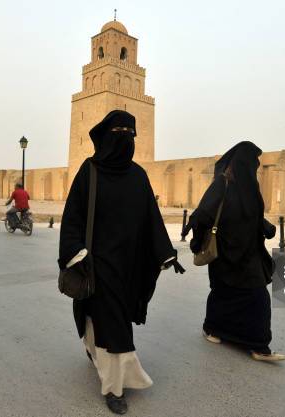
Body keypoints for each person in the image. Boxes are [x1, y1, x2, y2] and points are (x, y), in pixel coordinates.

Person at [58, 110, 185, 415]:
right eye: (119, 131)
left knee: (106, 320)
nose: (125, 139)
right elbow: (72, 218)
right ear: (106, 135)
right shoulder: (90, 172)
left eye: (131, 133)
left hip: (130, 265)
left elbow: (151, 219)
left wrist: (166, 254)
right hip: (96, 265)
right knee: (115, 328)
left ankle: (94, 350)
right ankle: (114, 388)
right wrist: (76, 254)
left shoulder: (138, 175)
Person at [187, 141, 285, 362]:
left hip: (249, 252)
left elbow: (251, 214)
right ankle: (213, 328)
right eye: (253, 161)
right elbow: (203, 214)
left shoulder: (250, 186)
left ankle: (258, 345)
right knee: (225, 293)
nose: (256, 166)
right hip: (224, 253)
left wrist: (265, 226)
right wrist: (195, 239)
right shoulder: (222, 184)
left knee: (256, 295)